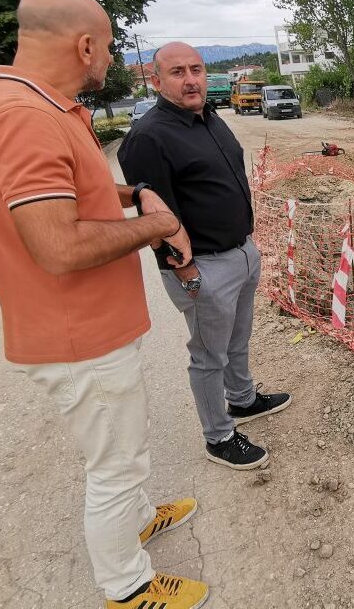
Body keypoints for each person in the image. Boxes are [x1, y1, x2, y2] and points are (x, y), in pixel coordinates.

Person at [0, 0, 209, 609]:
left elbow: (68, 197)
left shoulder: (36, 105)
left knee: (123, 447)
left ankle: (137, 519)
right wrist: (159, 224)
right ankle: (126, 584)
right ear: (83, 45)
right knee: (115, 462)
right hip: (78, 334)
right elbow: (57, 246)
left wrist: (131, 197)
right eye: (107, 48)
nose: (111, 61)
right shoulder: (22, 117)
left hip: (93, 325)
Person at [118, 42, 291, 471]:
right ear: (156, 81)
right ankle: (218, 436)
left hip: (241, 252)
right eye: (177, 72)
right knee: (209, 354)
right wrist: (188, 273)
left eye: (196, 69)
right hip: (205, 266)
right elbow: (157, 217)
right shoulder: (150, 136)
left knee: (237, 339)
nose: (191, 79)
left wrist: (249, 248)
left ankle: (243, 399)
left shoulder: (211, 118)